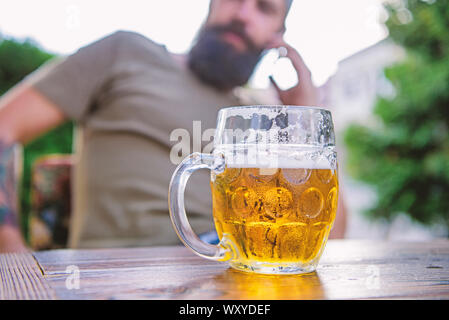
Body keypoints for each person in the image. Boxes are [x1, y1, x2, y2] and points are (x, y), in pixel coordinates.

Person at [0, 0, 346, 252]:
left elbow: (335, 236)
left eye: (263, 8)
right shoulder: (126, 52)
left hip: (235, 278)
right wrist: (11, 249)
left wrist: (306, 115)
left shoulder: (258, 118)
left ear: (278, 36)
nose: (243, 14)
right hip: (120, 277)